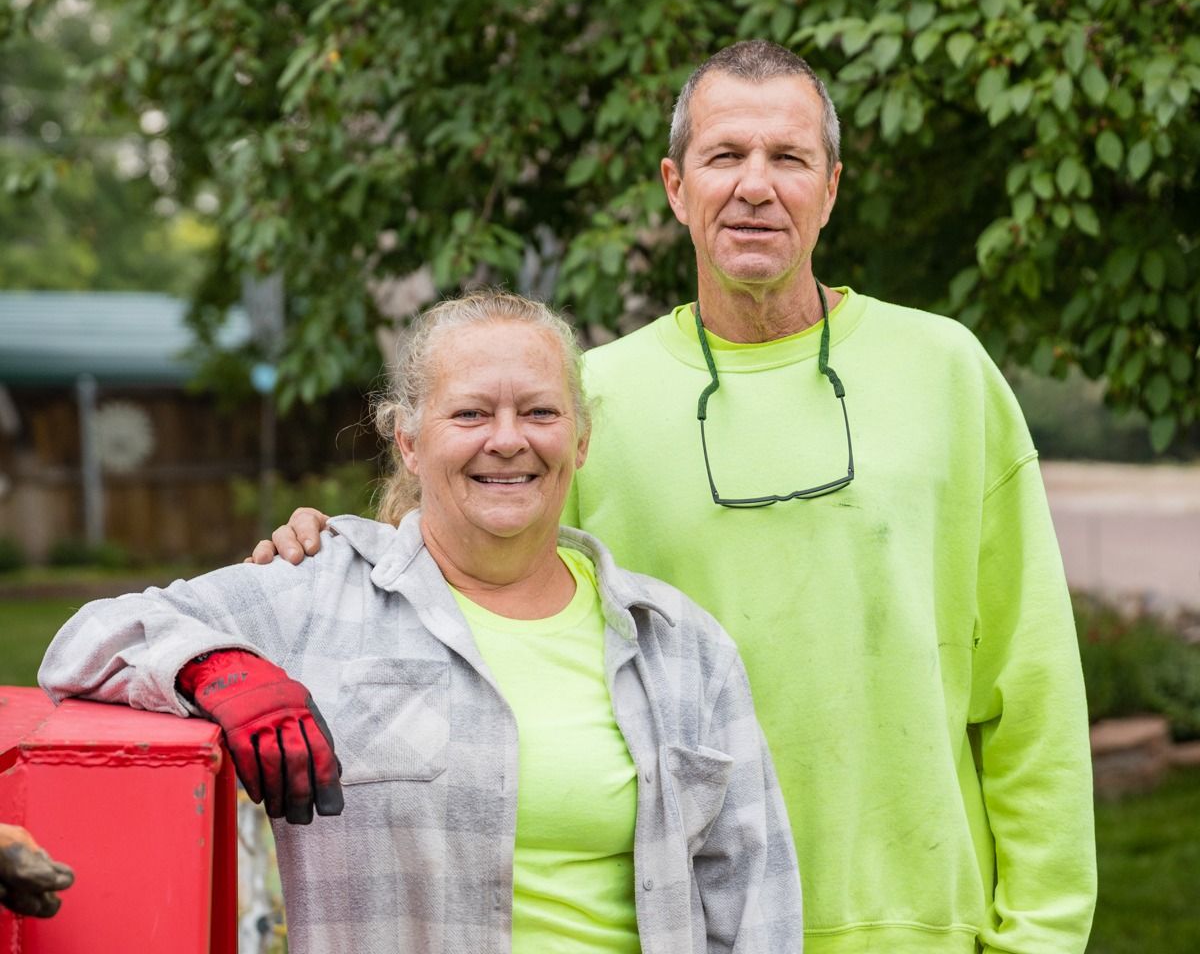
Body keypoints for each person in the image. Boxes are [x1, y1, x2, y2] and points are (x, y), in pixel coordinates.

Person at [264, 41, 1097, 953]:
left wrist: (1043, 932)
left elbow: (1031, 681)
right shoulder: (589, 402)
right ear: (674, 185)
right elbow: (459, 585)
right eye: (724, 156)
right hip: (684, 924)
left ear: (832, 186)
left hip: (923, 924)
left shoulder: (946, 374)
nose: (754, 186)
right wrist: (331, 550)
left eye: (788, 158)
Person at [39, 290, 803, 954]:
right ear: (408, 439)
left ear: (581, 437)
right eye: (470, 413)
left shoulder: (678, 644)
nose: (508, 439)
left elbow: (753, 899)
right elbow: (87, 640)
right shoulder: (317, 594)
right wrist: (218, 669)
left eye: (538, 412)